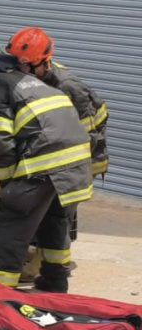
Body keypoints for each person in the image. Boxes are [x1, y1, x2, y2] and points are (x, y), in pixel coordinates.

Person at [0, 41, 94, 292]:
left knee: (8, 224)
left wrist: (9, 188)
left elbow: (0, 142)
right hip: (76, 160)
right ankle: (55, 280)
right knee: (54, 220)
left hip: (45, 158)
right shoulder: (22, 80)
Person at [6, 27, 110, 282]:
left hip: (81, 158)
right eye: (19, 64)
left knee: (60, 213)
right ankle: (42, 255)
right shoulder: (38, 78)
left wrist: (72, 167)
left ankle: (44, 267)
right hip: (57, 156)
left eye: (27, 65)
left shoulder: (67, 86)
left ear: (45, 61)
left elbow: (85, 133)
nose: (22, 70)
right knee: (48, 211)